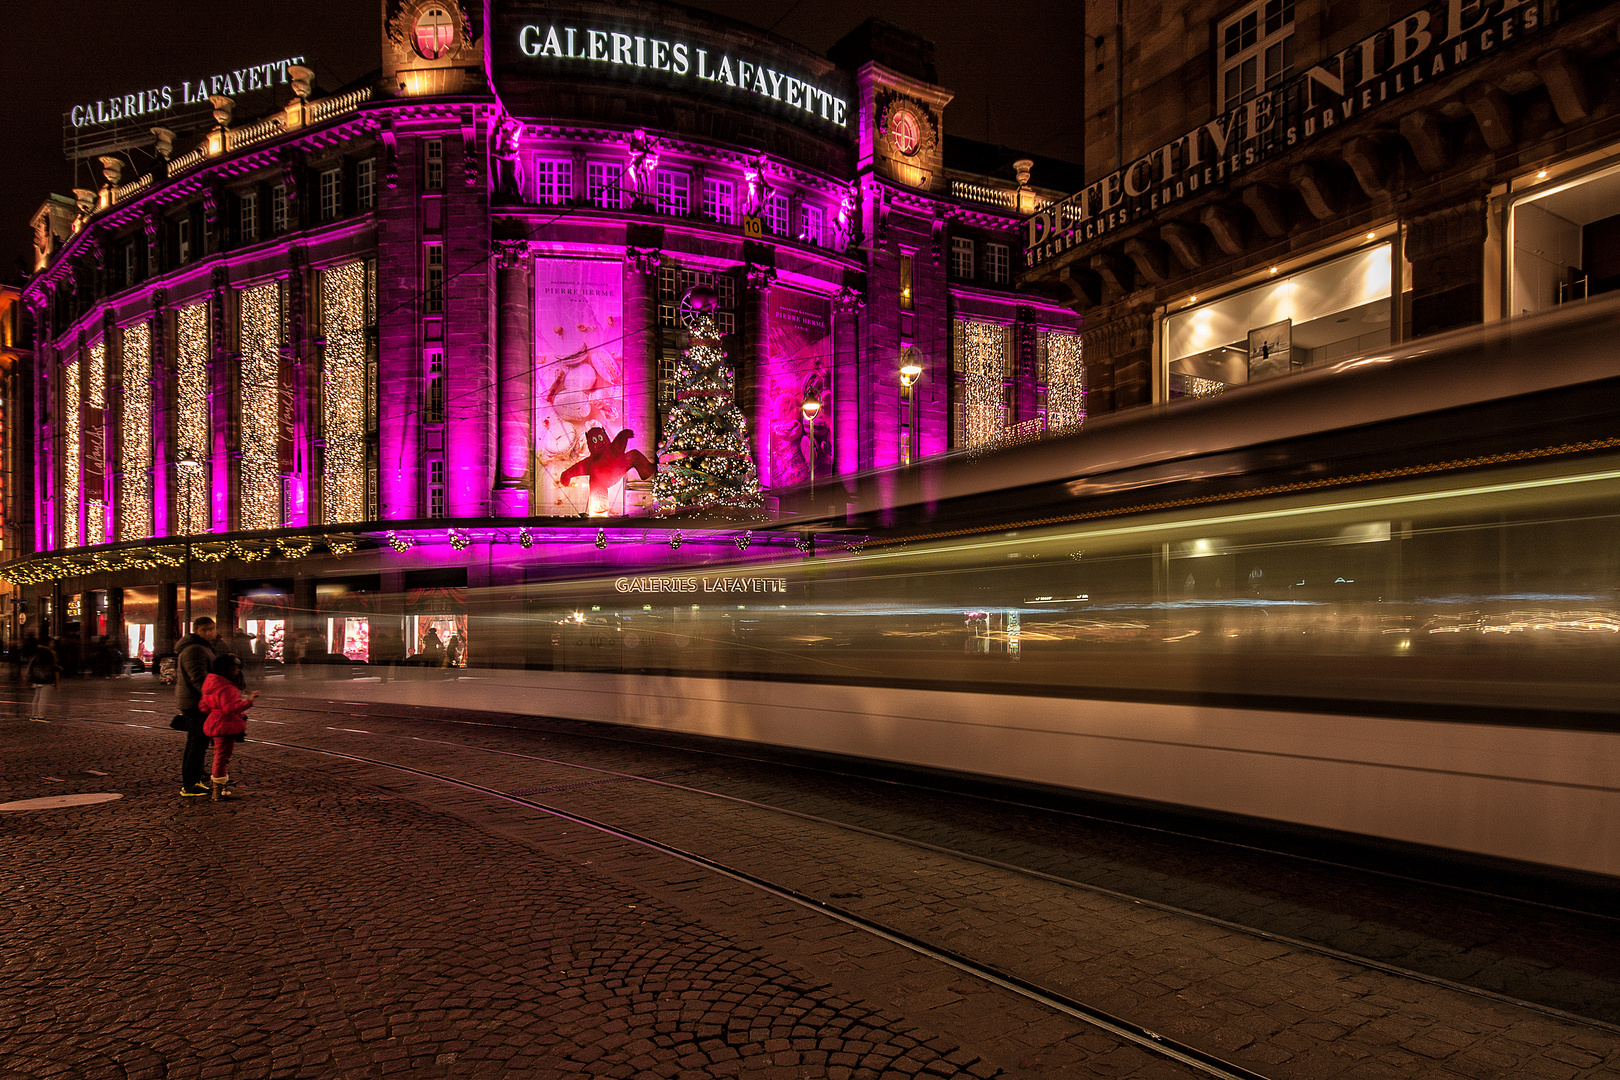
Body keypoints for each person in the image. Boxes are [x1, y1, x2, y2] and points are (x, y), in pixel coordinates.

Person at [200, 653, 257, 801]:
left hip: (215, 723)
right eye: (233, 668)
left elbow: (203, 706)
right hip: (224, 725)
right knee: (222, 757)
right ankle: (218, 791)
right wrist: (248, 702)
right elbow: (229, 709)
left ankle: (220, 788)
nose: (237, 671)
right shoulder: (226, 687)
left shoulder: (211, 683)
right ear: (225, 669)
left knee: (219, 754)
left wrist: (215, 710)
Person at [175, 617, 219, 797]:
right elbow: (199, 679)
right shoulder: (194, 650)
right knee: (196, 743)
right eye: (205, 630)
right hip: (196, 703)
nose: (209, 632)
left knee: (199, 742)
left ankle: (197, 777)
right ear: (196, 630)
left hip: (196, 702)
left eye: (212, 629)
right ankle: (190, 783)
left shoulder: (203, 647)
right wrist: (214, 698)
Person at [25, 637, 60, 721]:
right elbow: (49, 666)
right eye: (52, 643)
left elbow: (32, 664)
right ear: (47, 643)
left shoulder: (36, 651)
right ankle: (41, 716)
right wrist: (57, 668)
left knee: (36, 697)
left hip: (37, 677)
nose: (53, 644)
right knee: (43, 698)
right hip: (46, 678)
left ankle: (34, 715)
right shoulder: (49, 653)